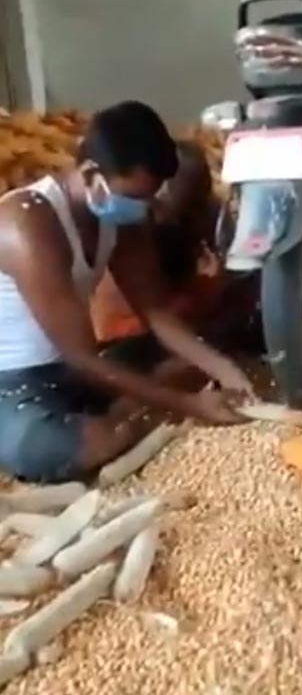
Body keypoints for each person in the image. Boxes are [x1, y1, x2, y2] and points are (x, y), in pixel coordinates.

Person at [0, 100, 253, 484]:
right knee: (93, 442)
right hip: (14, 384)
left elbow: (157, 315)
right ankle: (106, 417)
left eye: (148, 199)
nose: (143, 210)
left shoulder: (120, 216)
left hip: (70, 372)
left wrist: (222, 369)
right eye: (134, 198)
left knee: (188, 359)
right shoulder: (27, 224)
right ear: (90, 174)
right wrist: (190, 405)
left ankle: (120, 407)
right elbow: (83, 356)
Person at [91, 140, 260, 352]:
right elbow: (116, 326)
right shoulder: (131, 231)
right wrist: (196, 301)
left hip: (179, 315)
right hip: (127, 337)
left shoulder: (206, 216)